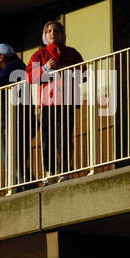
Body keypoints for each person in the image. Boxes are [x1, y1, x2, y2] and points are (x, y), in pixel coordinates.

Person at [27, 20, 84, 180]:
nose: (52, 33)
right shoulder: (39, 54)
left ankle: (65, 169)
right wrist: (45, 68)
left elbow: (84, 73)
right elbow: (29, 77)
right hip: (47, 103)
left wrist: (69, 72)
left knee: (65, 136)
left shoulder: (71, 52)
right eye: (49, 31)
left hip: (66, 101)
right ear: (45, 36)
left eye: (56, 30)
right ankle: (50, 171)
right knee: (48, 137)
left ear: (62, 34)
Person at [0, 43, 29, 187]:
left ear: (1, 57)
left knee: (12, 159)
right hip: (7, 121)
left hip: (14, 121)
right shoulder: (10, 67)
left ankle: (25, 187)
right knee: (11, 160)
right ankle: (22, 186)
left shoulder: (12, 68)